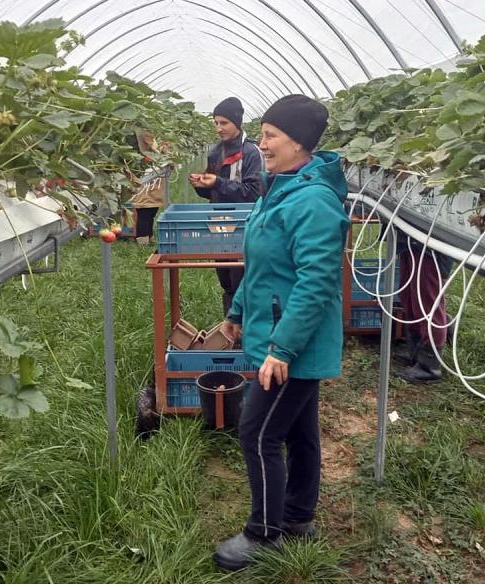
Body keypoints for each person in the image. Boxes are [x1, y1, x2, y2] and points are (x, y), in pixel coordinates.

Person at [214, 95, 349, 571]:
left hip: (291, 342)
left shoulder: (314, 201)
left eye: (271, 136)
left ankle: (265, 532)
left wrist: (282, 347)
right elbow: (266, 264)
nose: (263, 144)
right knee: (300, 431)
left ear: (299, 142)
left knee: (258, 434)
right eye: (264, 134)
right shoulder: (282, 185)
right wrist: (237, 308)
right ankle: (297, 517)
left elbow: (316, 281)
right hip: (278, 331)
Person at [188, 97, 264, 316]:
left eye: (224, 123)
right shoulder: (216, 152)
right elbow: (214, 190)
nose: (219, 128)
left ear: (237, 123)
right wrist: (201, 185)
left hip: (246, 225)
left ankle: (246, 330)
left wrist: (218, 183)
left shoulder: (251, 153)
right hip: (220, 223)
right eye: (216, 123)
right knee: (226, 276)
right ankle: (232, 326)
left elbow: (254, 193)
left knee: (243, 277)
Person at [394, 237, 452, 383]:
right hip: (411, 241)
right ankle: (416, 351)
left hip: (430, 246)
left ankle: (430, 365)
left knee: (427, 301)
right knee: (409, 296)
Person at [130, 128, 169, 245]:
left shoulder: (150, 133)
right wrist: (162, 153)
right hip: (145, 172)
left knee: (151, 209)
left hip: (152, 172)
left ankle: (148, 236)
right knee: (144, 209)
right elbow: (149, 145)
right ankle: (142, 239)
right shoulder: (142, 130)